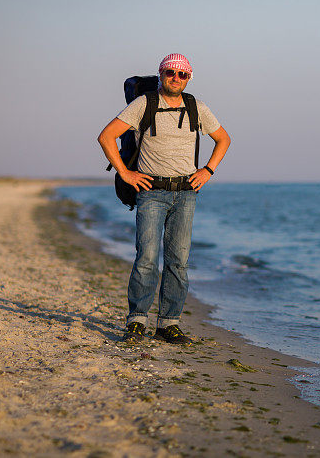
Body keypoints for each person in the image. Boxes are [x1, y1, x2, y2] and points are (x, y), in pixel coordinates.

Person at [98, 53, 231, 344]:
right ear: (161, 75)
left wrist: (207, 170)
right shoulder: (143, 104)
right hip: (151, 193)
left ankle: (168, 324)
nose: (176, 78)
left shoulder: (197, 107)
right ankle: (136, 321)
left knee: (178, 262)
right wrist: (126, 174)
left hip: (186, 194)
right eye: (170, 73)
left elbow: (224, 139)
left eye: (182, 74)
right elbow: (106, 136)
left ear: (189, 78)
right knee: (146, 258)